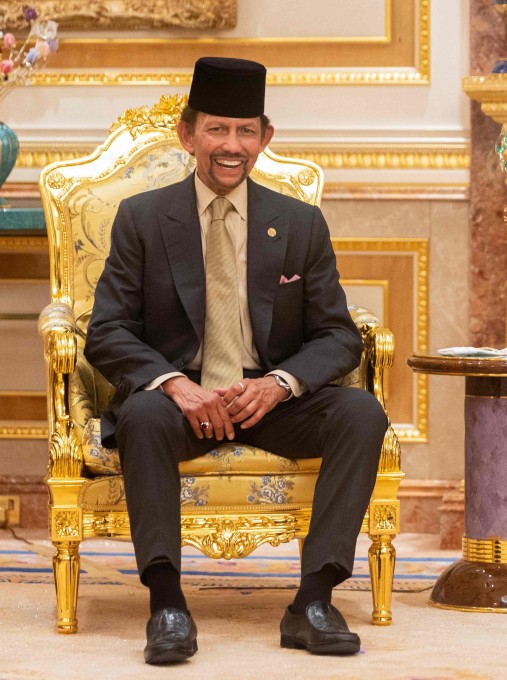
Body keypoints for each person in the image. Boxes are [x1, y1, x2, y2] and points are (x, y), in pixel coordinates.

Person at [85, 56, 388, 664]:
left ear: (265, 138)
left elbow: (337, 334)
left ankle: (313, 602)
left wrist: (279, 383)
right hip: (181, 403)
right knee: (141, 416)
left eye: (246, 131)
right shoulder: (142, 219)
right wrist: (174, 385)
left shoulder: (299, 223)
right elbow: (107, 329)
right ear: (187, 134)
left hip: (267, 400)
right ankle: (167, 605)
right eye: (217, 129)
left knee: (362, 414)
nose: (232, 145)